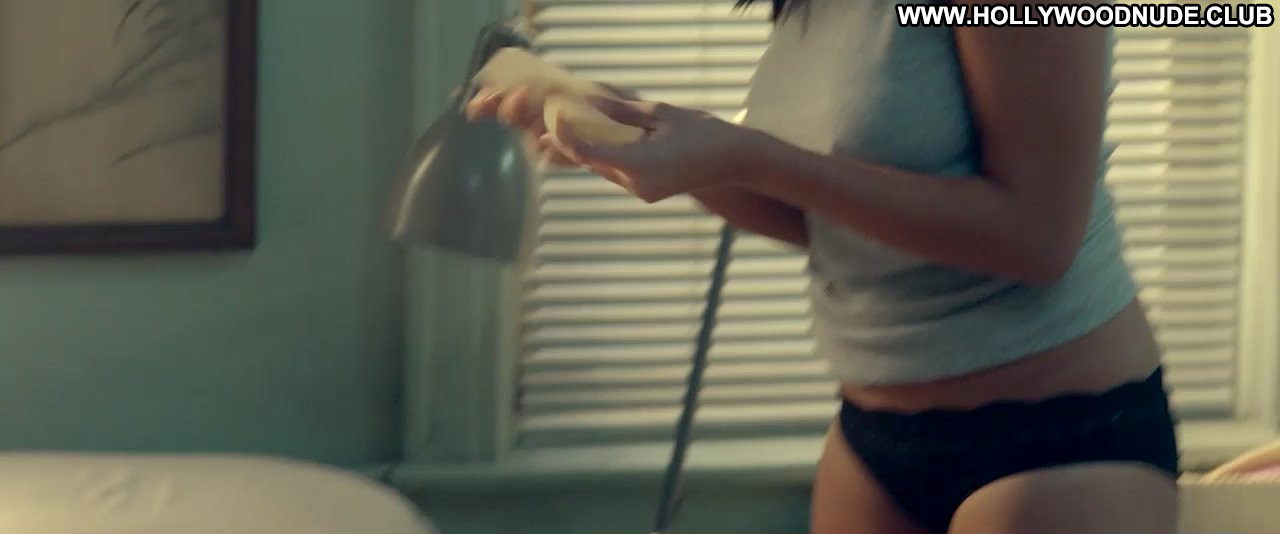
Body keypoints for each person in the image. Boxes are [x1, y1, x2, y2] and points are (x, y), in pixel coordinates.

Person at [466, 0, 1180, 532]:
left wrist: (749, 156)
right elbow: (833, 223)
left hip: (1055, 445)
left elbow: (1038, 238)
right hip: (873, 442)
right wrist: (636, 137)